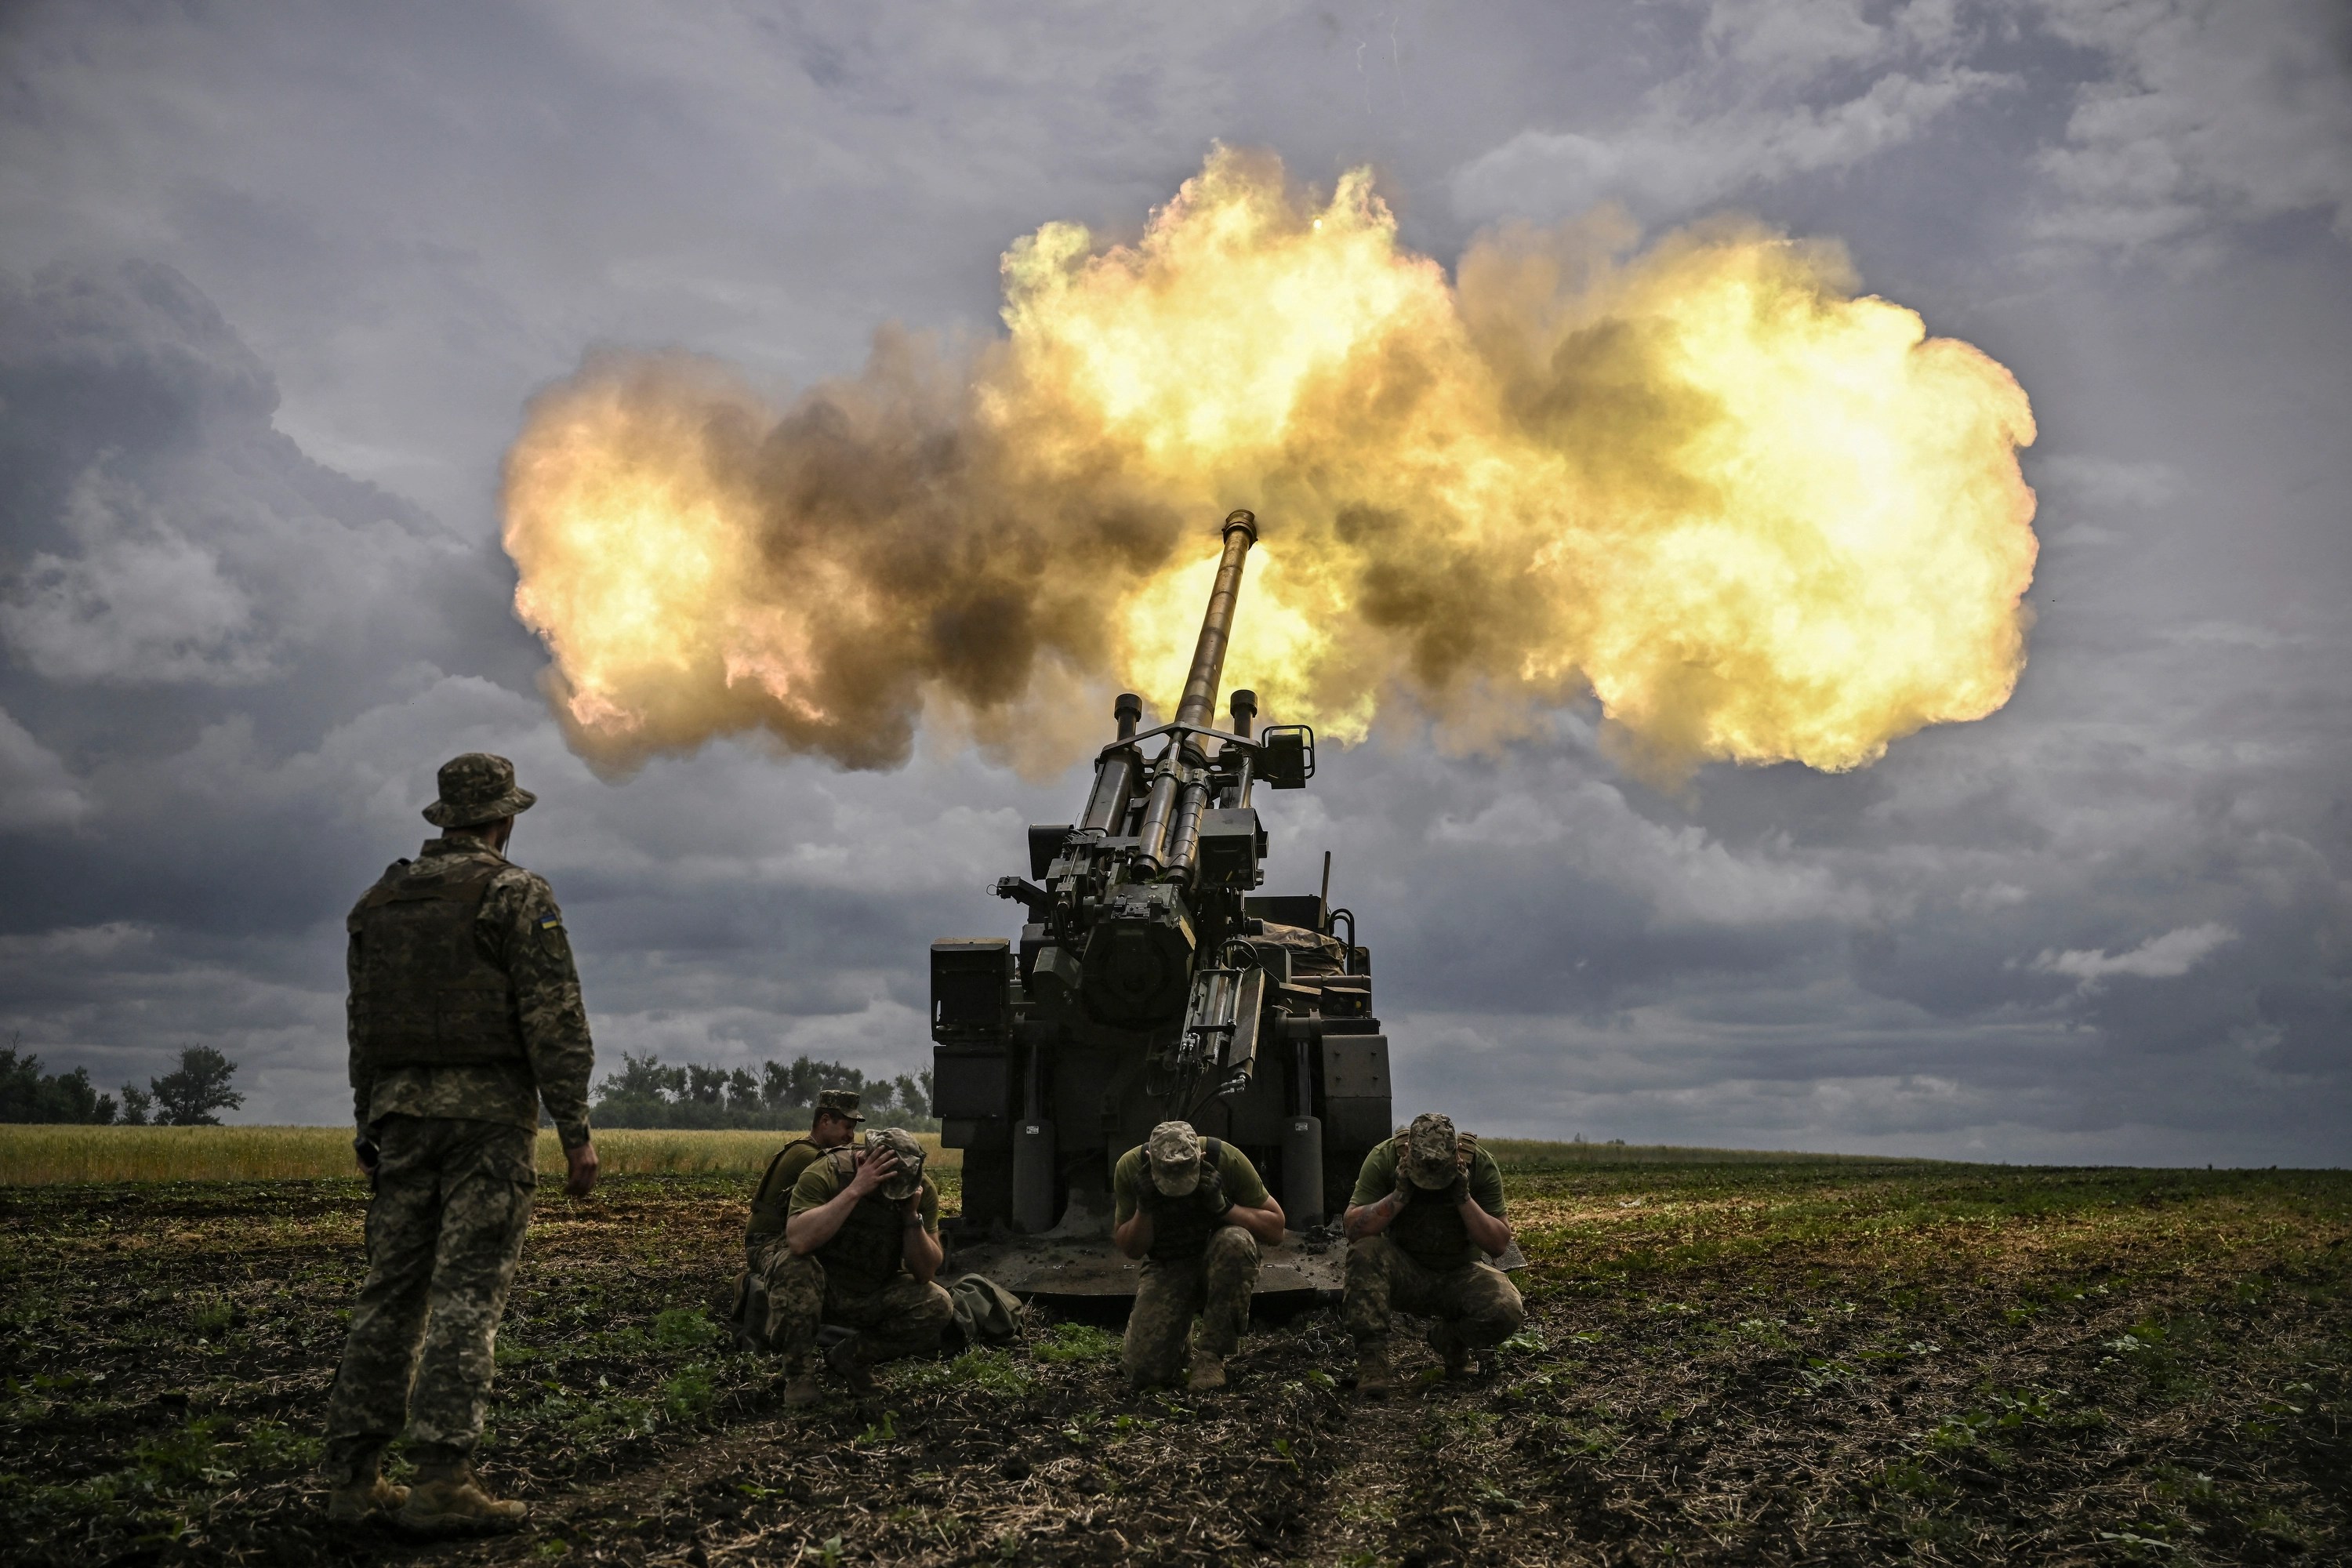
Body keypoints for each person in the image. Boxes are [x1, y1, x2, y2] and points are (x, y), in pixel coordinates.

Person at [322, 753, 599, 1534]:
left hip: (401, 1119)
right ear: (503, 818)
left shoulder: (377, 902)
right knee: (465, 1293)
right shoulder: (516, 893)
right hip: (487, 1123)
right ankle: (441, 1478)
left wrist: (366, 1122)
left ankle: (351, 1477)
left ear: (445, 817)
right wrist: (575, 1130)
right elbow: (555, 1021)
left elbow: (362, 1031)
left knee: (388, 1294)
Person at [1341, 1112, 1523, 1399]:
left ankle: (1449, 1341)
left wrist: (1463, 1196)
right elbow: (1353, 1229)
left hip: (1459, 1274)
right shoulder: (1385, 1158)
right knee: (1365, 1252)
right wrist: (1400, 1194)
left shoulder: (1480, 1165)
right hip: (1405, 1273)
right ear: (1408, 1152)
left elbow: (1499, 1244)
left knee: (1506, 1308)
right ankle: (1372, 1365)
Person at [772, 1125, 954, 1403]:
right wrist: (855, 1190)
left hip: (872, 1289)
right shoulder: (827, 1173)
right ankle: (799, 1377)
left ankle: (851, 1359)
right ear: (862, 1161)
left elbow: (926, 1272)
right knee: (793, 1264)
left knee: (938, 1303)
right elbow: (798, 1240)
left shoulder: (920, 1191)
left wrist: (910, 1216)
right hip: (822, 1286)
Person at [1112, 1120, 1287, 1392]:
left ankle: (1211, 1357)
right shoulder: (1130, 1167)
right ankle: (1180, 1334)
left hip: (1219, 1263)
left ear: (1201, 1158)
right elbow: (1131, 1249)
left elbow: (1276, 1229)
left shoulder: (1226, 1159)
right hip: (1169, 1266)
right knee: (1145, 1374)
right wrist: (1143, 1208)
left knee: (1236, 1241)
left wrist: (1223, 1206)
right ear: (1150, 1160)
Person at [735, 1089, 864, 1347]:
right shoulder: (813, 1158)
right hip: (767, 1242)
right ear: (825, 1121)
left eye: (853, 1129)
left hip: (777, 1237)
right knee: (812, 1273)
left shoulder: (808, 1150)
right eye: (847, 1127)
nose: (851, 1137)